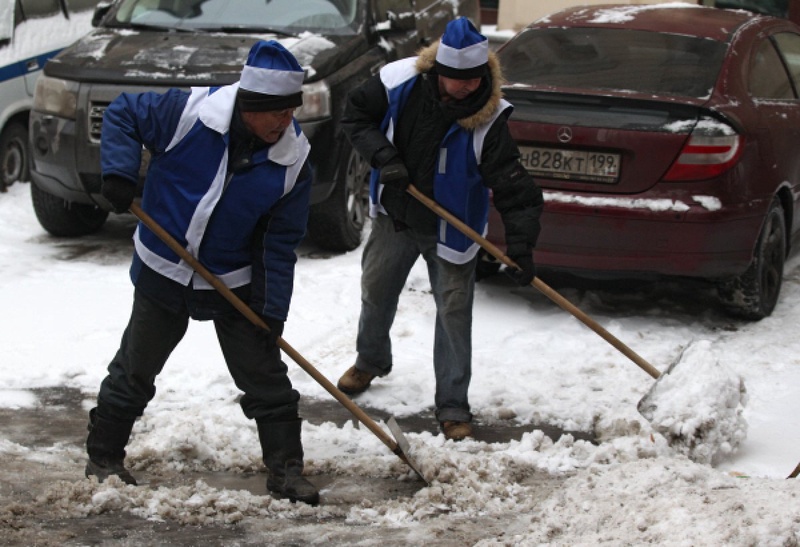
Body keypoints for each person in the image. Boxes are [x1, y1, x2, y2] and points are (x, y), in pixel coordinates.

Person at [84, 40, 319, 505]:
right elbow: (124, 113)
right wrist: (118, 172)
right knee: (135, 367)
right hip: (165, 267)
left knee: (265, 376)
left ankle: (287, 471)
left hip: (233, 279)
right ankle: (103, 456)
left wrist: (271, 310)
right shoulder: (189, 112)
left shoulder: (292, 161)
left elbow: (279, 242)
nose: (285, 122)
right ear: (250, 105)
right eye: (276, 112)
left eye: (291, 112)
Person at [335, 18, 544, 441]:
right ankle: (370, 360)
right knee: (376, 290)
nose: (466, 87)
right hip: (396, 214)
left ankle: (452, 405)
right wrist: (385, 157)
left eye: (473, 79)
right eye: (456, 79)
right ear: (437, 71)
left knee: (452, 313)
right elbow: (355, 117)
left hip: (454, 227)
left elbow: (513, 187)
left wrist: (521, 247)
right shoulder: (397, 81)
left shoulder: (490, 119)